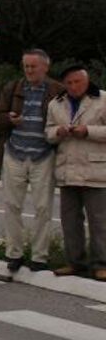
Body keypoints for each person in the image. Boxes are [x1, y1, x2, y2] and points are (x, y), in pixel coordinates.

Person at [0, 49, 64, 273]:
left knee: (43, 207)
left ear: (45, 67)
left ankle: (40, 256)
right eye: (26, 66)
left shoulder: (57, 91)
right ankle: (14, 253)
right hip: (15, 152)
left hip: (44, 153)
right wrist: (9, 119)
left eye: (33, 66)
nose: (29, 70)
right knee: (12, 205)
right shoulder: (13, 88)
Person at [44, 65, 106, 280]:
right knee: (70, 221)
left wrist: (88, 131)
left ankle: (101, 263)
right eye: (69, 83)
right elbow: (48, 132)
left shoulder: (103, 100)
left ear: (86, 80)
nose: (73, 86)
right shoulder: (56, 103)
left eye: (77, 81)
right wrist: (58, 131)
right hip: (67, 168)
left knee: (100, 221)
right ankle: (75, 262)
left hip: (96, 169)